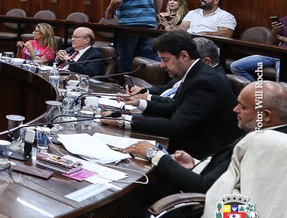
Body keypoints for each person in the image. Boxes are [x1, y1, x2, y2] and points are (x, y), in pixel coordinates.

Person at [123, 81, 287, 199]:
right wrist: (195, 164)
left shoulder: (265, 144)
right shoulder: (266, 133)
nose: (235, 109)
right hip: (203, 187)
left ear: (265, 116)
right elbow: (227, 172)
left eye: (243, 107)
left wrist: (153, 154)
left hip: (203, 211)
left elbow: (206, 188)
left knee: (134, 197)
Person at [101, 31, 243, 158]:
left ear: (184, 56)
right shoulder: (196, 74)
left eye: (165, 59)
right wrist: (138, 105)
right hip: (189, 143)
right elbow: (175, 107)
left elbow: (175, 126)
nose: (161, 65)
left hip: (203, 155)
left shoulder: (205, 81)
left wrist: (125, 122)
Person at [230, 15, 287, 82]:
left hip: (285, 56)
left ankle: (278, 89)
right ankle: (255, 87)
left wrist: (280, 38)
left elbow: (279, 38)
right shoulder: (284, 19)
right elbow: (271, 42)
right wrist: (274, 30)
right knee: (236, 67)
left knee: (281, 78)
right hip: (274, 54)